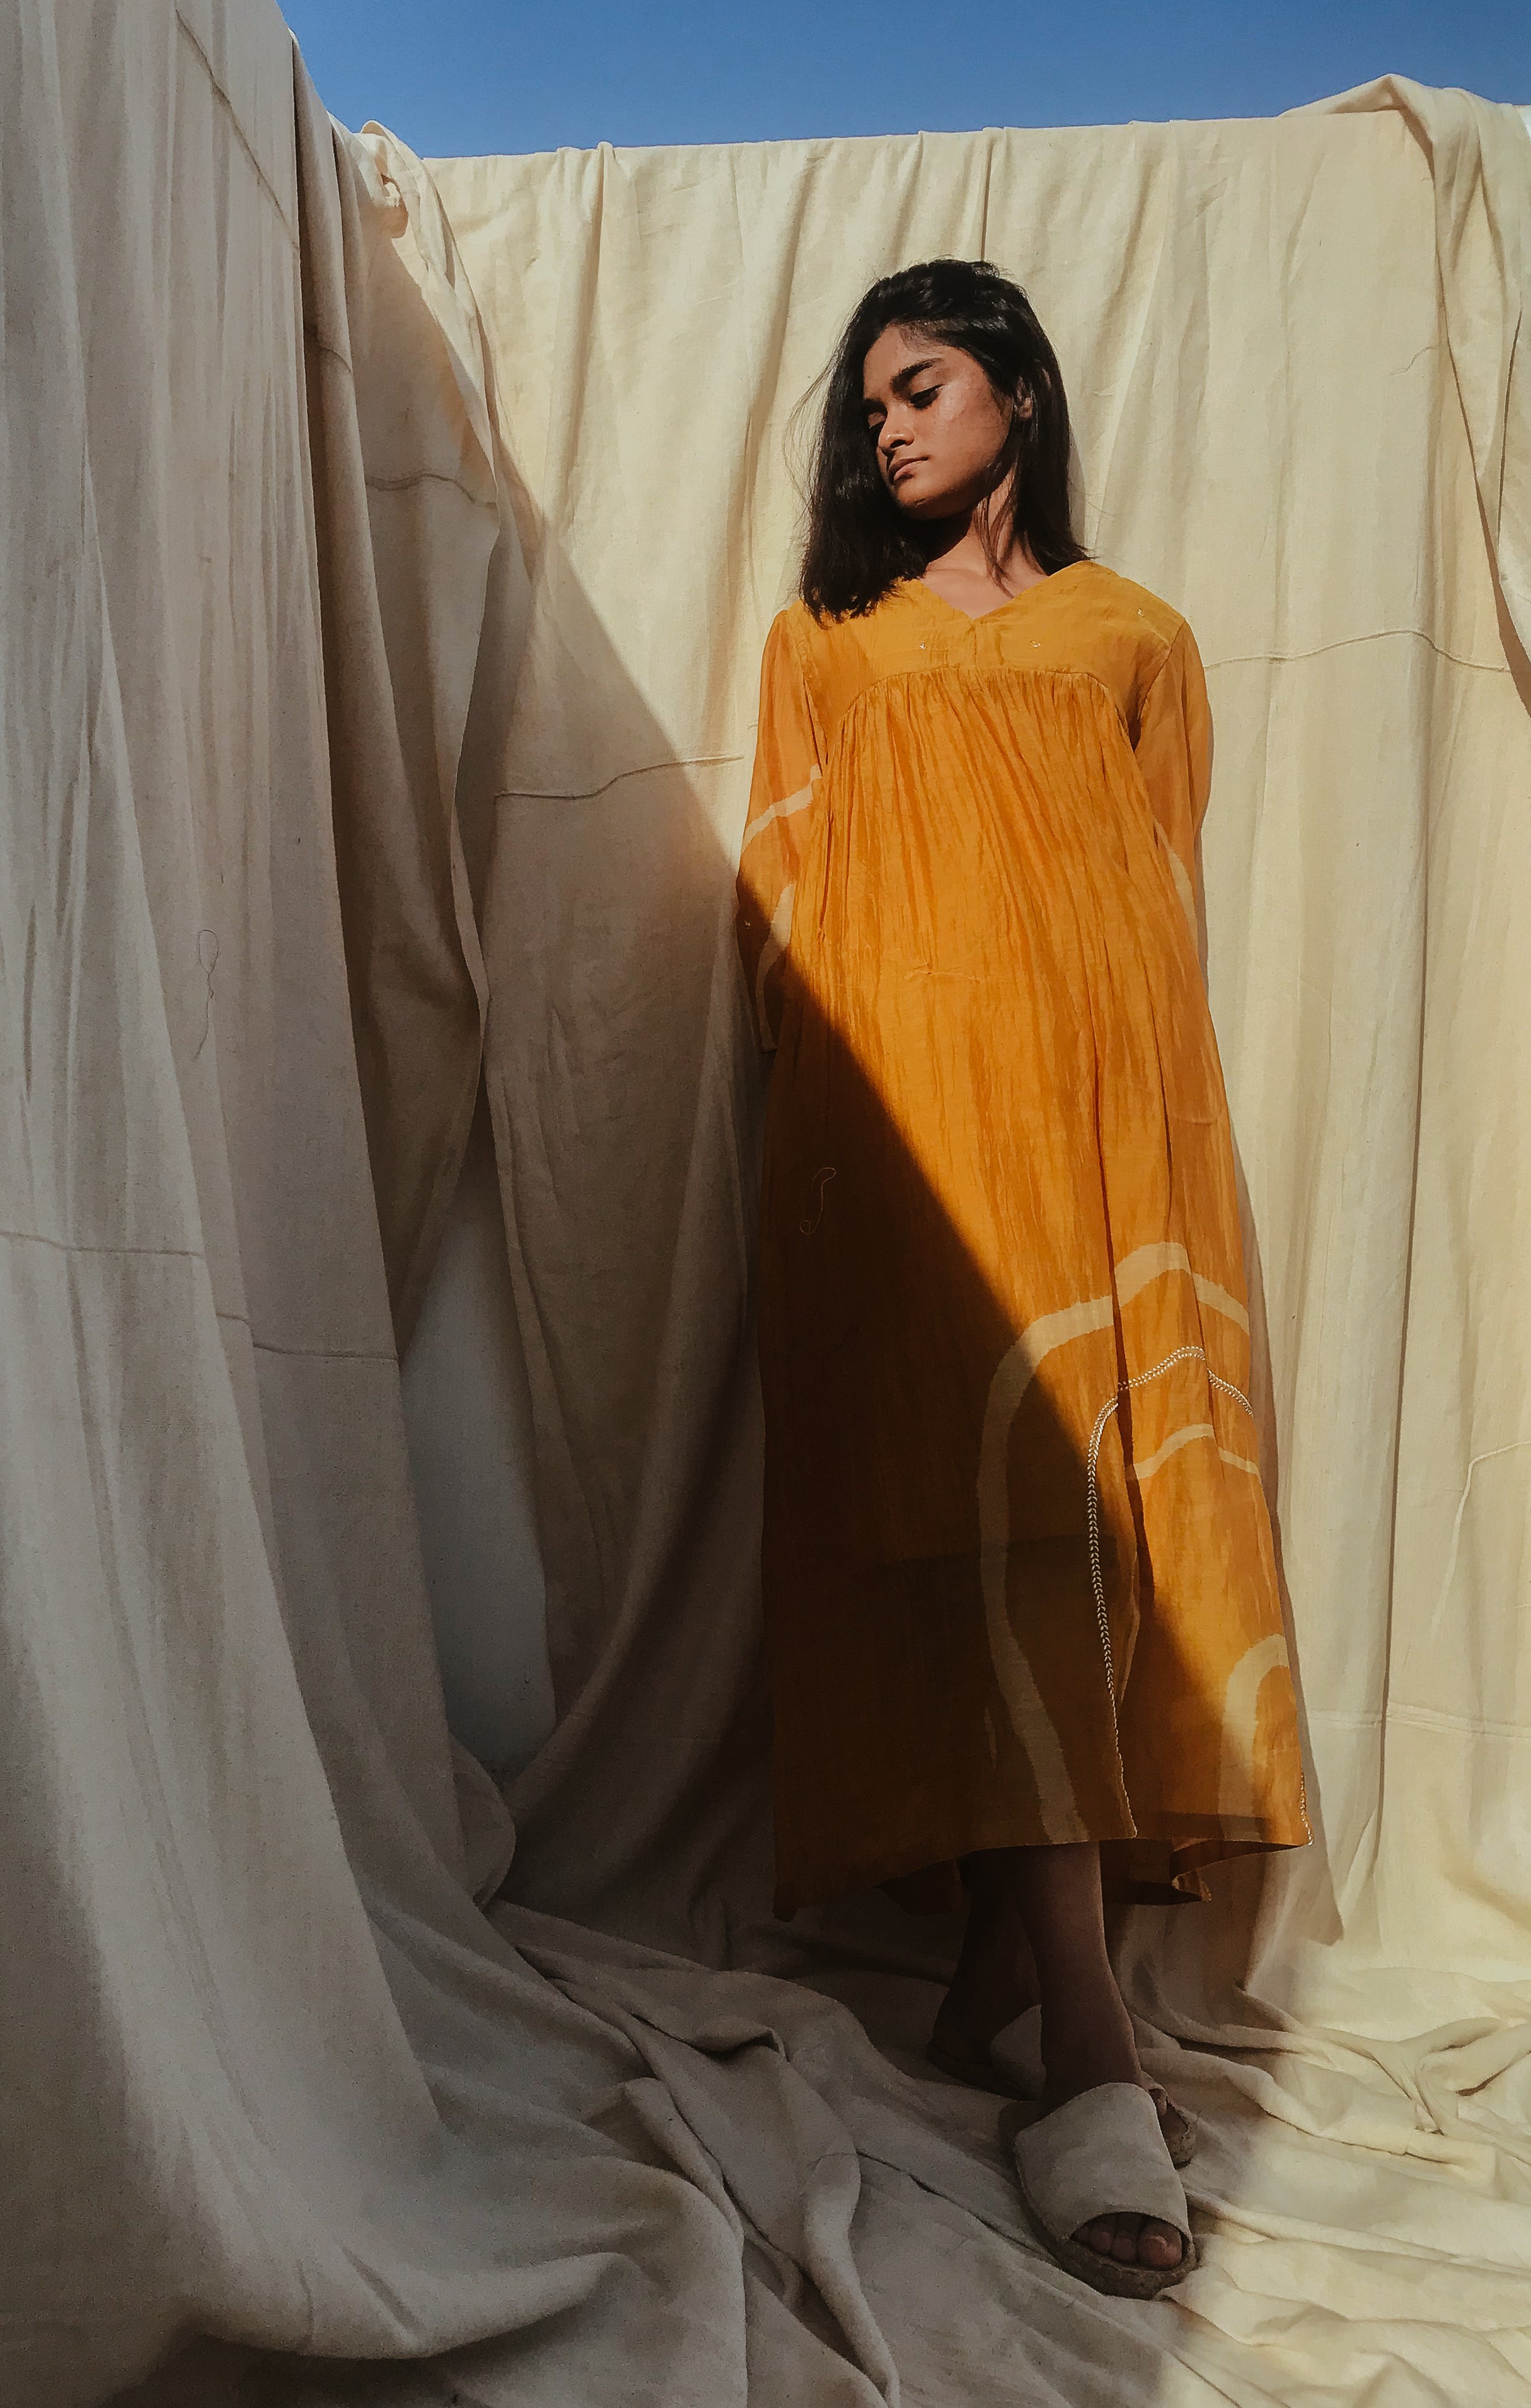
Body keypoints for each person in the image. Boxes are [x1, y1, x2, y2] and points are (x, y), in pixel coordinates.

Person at [734, 259, 1310, 2297]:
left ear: (1018, 393)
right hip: (909, 1143)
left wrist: (1129, 1119)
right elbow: (778, 902)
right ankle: (1088, 2044)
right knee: (993, 1537)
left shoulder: (1131, 635)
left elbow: (1147, 894)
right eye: (865, 404)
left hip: (1109, 1137)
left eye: (921, 386)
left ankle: (1016, 1981)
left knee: (1108, 1537)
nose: (885, 426)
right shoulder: (827, 640)